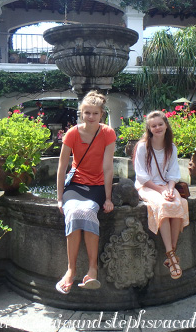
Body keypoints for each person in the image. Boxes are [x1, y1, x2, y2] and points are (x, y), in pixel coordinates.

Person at [55, 90, 116, 294]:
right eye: (87, 113)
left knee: (89, 211)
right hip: (76, 185)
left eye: (95, 113)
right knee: (72, 211)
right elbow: (62, 166)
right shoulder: (72, 133)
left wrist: (108, 198)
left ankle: (92, 268)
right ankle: (71, 270)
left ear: (101, 115)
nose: (91, 117)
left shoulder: (108, 133)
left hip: (97, 186)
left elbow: (108, 167)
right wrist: (59, 198)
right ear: (81, 113)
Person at [133, 110, 189, 279]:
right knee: (164, 205)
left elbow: (173, 173)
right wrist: (161, 191)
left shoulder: (171, 147)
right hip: (147, 186)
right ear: (149, 129)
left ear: (166, 125)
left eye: (160, 124)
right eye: (153, 125)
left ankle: (170, 254)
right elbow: (141, 176)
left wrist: (171, 189)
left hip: (166, 185)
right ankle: (171, 255)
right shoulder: (142, 147)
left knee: (177, 204)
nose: (157, 128)